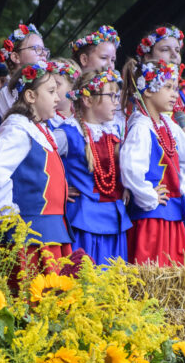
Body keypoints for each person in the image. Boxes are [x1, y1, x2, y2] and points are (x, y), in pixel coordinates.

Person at [0, 62, 71, 265]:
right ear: (31, 96)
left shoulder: (39, 130)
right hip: (32, 234)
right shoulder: (18, 130)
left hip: (50, 230)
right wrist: (6, 214)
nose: (58, 98)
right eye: (51, 91)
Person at [119, 59, 185, 266]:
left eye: (175, 88)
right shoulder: (141, 126)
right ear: (147, 91)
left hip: (172, 215)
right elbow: (130, 168)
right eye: (168, 87)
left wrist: (183, 190)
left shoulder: (168, 124)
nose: (175, 94)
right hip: (151, 220)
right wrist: (149, 196)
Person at [54, 67, 130, 264]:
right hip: (84, 222)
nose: (116, 102)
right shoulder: (68, 133)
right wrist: (57, 187)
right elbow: (39, 160)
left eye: (117, 96)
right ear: (87, 100)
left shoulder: (114, 131)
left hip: (115, 221)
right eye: (111, 96)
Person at [130, 25, 185, 131]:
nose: (174, 55)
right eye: (165, 50)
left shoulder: (184, 92)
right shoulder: (135, 93)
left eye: (177, 50)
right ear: (148, 57)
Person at [0, 24, 50, 127]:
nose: (44, 54)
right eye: (36, 48)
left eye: (44, 49)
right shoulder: (6, 92)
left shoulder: (41, 87)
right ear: (15, 57)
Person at [46, 58, 80, 129]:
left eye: (56, 84)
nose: (50, 88)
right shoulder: (45, 117)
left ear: (72, 87)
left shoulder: (81, 114)